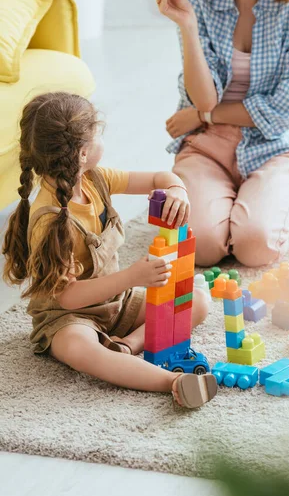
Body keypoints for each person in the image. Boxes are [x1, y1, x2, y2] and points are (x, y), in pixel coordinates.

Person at [2, 92, 217, 409]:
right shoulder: (47, 221)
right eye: (98, 134)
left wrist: (176, 189)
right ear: (83, 153)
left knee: (196, 301)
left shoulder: (95, 180)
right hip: (67, 318)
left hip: (116, 303)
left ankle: (129, 345)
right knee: (82, 351)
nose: (103, 139)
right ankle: (173, 383)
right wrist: (132, 276)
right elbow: (67, 297)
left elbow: (160, 177)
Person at [155, 0, 289, 267]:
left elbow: (284, 110)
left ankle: (270, 198)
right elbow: (205, 98)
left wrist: (203, 117)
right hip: (206, 146)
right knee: (200, 248)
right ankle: (225, 206)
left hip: (272, 146)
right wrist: (187, 26)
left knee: (256, 247)